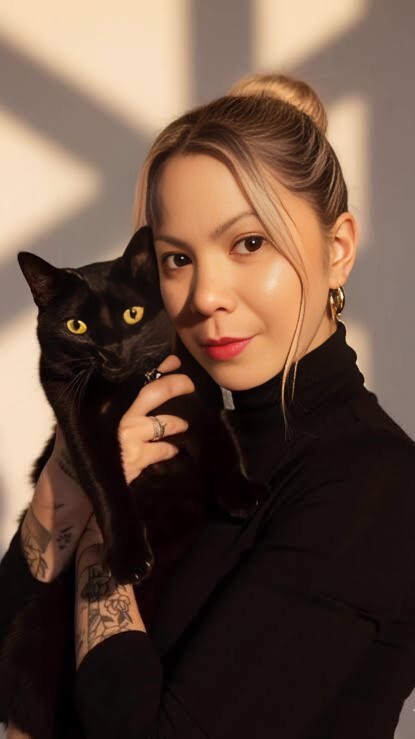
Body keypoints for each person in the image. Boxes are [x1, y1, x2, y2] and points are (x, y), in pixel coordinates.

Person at [2, 72, 415, 739]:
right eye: (176, 259)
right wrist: (73, 477)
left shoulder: (373, 483)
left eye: (249, 243)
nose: (205, 296)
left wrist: (106, 527)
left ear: (337, 249)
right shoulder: (183, 433)